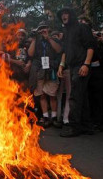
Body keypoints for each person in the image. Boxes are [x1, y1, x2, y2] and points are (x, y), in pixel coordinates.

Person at [57, 7, 95, 137]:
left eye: (66, 13)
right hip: (72, 67)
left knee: (74, 96)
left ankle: (74, 127)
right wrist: (61, 65)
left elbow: (90, 47)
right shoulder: (66, 32)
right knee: (82, 97)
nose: (63, 16)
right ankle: (87, 126)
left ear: (71, 15)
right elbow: (65, 51)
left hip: (81, 66)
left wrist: (86, 64)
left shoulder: (82, 28)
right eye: (62, 14)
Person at [28, 21, 62, 128]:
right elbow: (30, 53)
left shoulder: (54, 39)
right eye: (41, 29)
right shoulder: (36, 41)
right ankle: (46, 117)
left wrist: (48, 38)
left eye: (44, 28)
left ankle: (55, 118)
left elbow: (59, 50)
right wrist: (34, 39)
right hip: (39, 71)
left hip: (51, 69)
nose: (43, 30)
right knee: (42, 95)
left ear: (48, 29)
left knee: (52, 95)